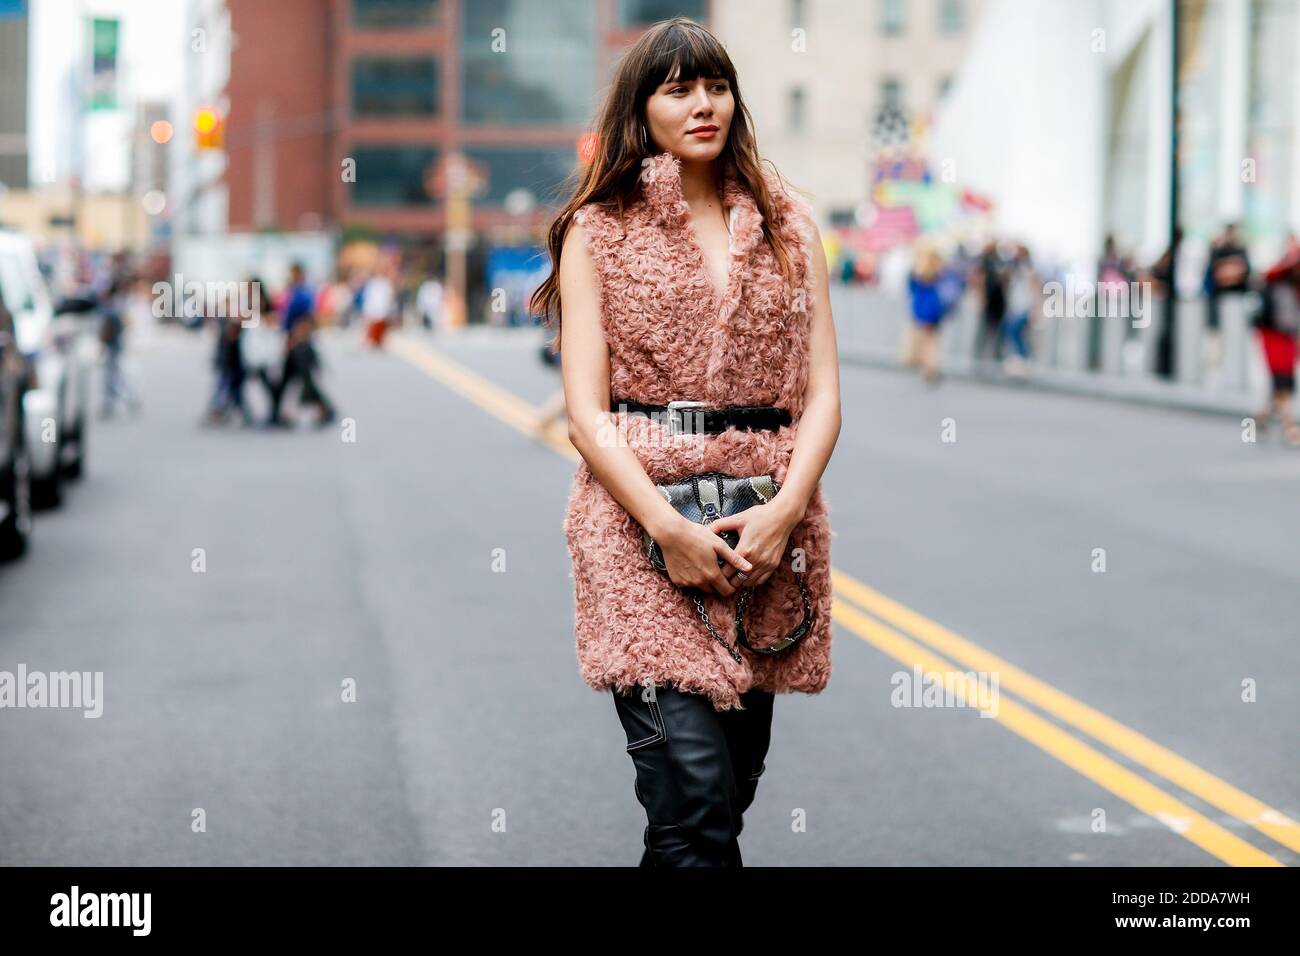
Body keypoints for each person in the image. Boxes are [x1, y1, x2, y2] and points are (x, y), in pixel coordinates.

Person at [531, 16, 840, 867]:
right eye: (678, 89)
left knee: (726, 799)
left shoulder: (790, 226)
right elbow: (586, 412)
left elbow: (823, 398)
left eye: (716, 86)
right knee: (694, 802)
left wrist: (785, 511)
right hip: (639, 529)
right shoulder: (599, 230)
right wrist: (664, 528)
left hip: (761, 535)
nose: (703, 104)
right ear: (644, 107)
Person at [1252, 238, 1300, 445]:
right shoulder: (1279, 287)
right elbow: (1283, 318)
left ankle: (1261, 418)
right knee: (1282, 381)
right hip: (1273, 337)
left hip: (1286, 338)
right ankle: (1290, 428)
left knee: (1282, 381)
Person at [98, 276, 142, 418]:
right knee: (114, 377)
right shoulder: (117, 305)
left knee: (113, 378)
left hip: (113, 347)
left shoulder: (112, 306)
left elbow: (109, 328)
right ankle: (115, 403)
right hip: (115, 346)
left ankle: (125, 400)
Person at [905, 246, 946, 385]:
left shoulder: (918, 273)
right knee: (931, 341)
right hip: (933, 311)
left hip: (922, 311)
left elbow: (911, 289)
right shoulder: (936, 273)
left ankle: (927, 368)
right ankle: (931, 367)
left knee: (925, 342)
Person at [1001, 243, 1036, 378]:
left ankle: (1025, 358)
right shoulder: (1014, 268)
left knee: (1016, 332)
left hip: (1024, 307)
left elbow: (1034, 289)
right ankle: (1019, 359)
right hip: (1014, 306)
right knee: (1011, 332)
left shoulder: (1029, 269)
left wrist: (1034, 309)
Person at [972, 239, 1006, 372]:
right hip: (989, 301)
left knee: (997, 331)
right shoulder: (984, 260)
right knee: (983, 330)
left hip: (999, 302)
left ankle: (995, 359)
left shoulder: (998, 260)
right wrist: (980, 297)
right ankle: (978, 359)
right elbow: (977, 279)